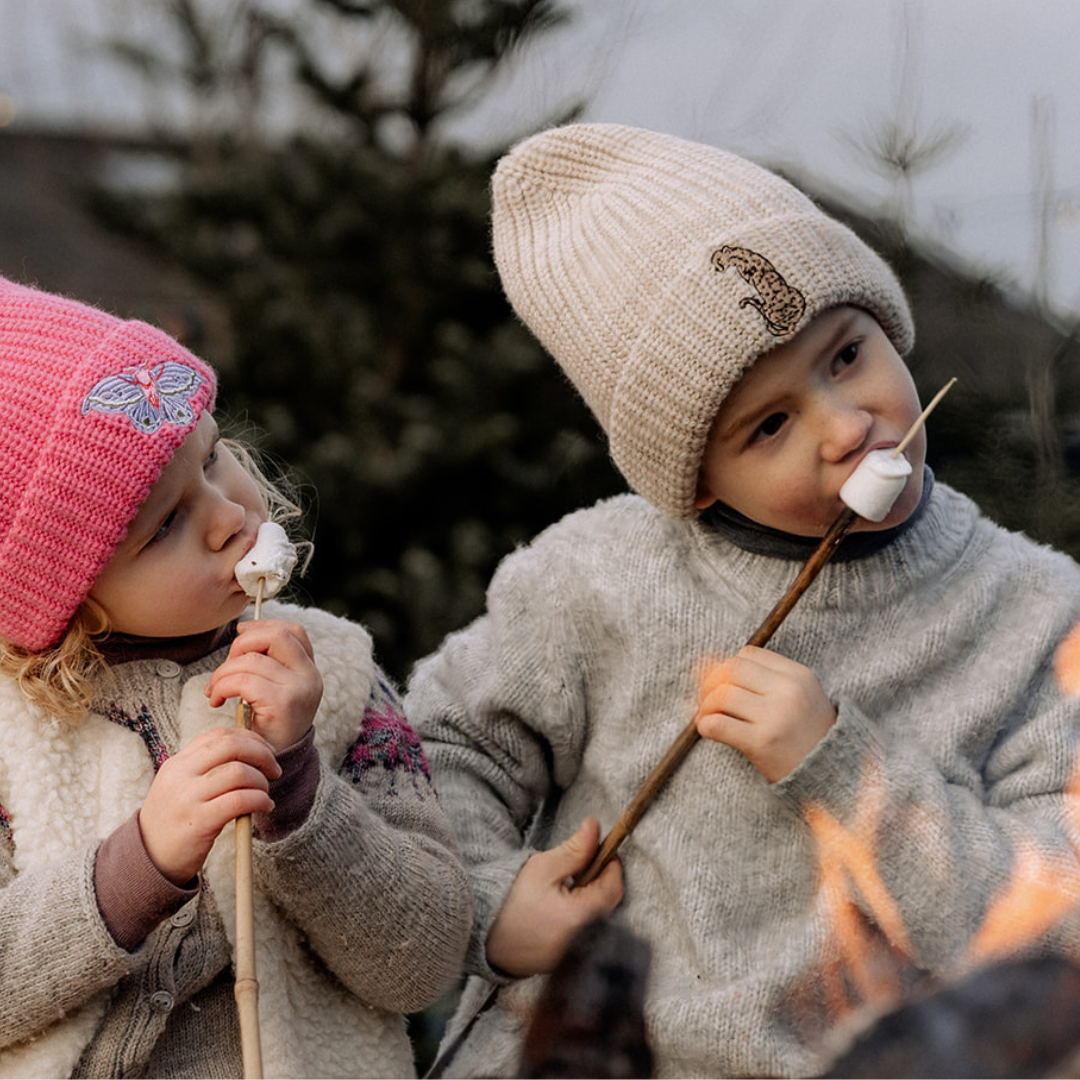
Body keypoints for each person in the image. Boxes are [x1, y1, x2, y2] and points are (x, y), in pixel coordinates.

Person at [405, 123, 1080, 1078]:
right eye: (770, 424)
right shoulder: (599, 577)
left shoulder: (1039, 613)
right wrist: (490, 902)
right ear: (697, 483)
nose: (847, 426)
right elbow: (430, 760)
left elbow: (1058, 924)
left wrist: (848, 773)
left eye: (847, 355)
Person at [0, 275, 471, 1079]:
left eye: (214, 457)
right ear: (71, 604)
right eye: (167, 525)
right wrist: (141, 863)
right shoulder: (14, 737)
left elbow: (423, 963)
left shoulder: (336, 678)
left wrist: (301, 795)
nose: (229, 516)